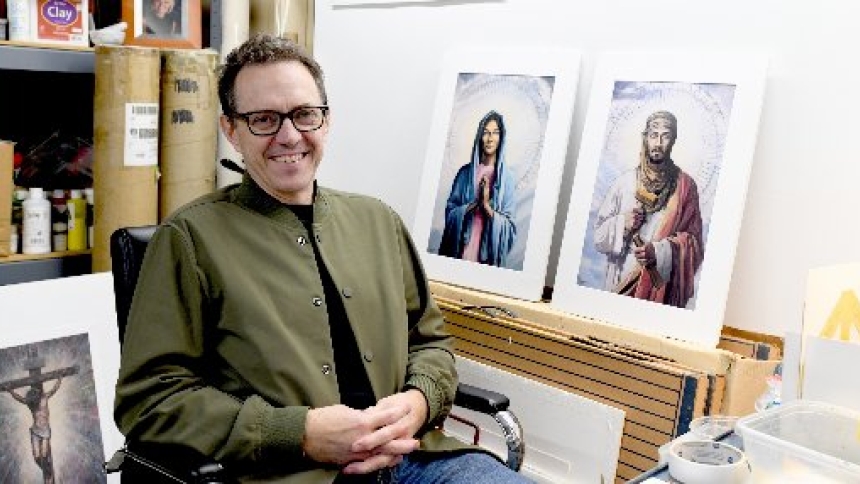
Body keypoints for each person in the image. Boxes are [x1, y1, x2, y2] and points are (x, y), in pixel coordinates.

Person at [113, 33, 533, 484]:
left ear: (326, 121)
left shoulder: (379, 221)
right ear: (231, 131)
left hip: (416, 460)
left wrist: (419, 402)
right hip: (289, 473)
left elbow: (429, 344)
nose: (288, 135)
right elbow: (149, 401)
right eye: (263, 119)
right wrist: (299, 433)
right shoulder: (189, 240)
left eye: (304, 115)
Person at [592, 110, 704, 308]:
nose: (658, 143)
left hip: (658, 294)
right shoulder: (624, 184)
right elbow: (598, 239)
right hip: (619, 286)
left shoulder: (685, 187)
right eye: (653, 135)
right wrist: (622, 224)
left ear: (674, 140)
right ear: (645, 138)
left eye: (665, 136)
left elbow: (694, 245)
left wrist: (660, 252)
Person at [438, 111, 517, 267]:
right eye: (486, 133)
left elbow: (510, 228)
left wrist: (486, 206)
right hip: (462, 250)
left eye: (495, 133)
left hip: (486, 257)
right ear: (479, 137)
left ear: (501, 138)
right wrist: (474, 204)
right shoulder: (464, 173)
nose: (490, 138)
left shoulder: (507, 179)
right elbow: (450, 213)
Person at [8, 379, 63, 484]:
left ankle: (49, 475)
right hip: (35, 431)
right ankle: (47, 472)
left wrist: (59, 379)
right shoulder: (30, 402)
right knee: (37, 457)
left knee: (45, 455)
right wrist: (11, 391)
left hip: (45, 432)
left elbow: (54, 390)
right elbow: (19, 398)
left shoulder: (44, 398)